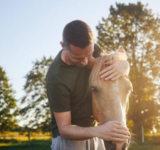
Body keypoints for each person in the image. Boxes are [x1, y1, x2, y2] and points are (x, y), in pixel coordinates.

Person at [46, 20, 130, 150]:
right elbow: (64, 129)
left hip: (99, 132)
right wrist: (99, 131)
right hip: (70, 142)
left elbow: (112, 72)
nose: (86, 62)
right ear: (63, 45)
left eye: (89, 55)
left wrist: (124, 65)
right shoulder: (56, 78)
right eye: (78, 58)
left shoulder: (90, 48)